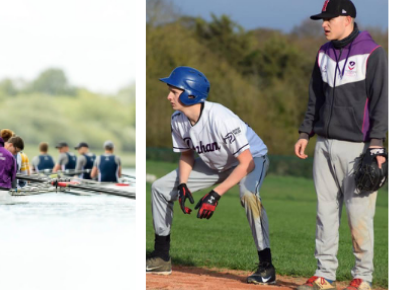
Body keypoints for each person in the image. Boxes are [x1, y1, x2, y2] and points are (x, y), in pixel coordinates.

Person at [146, 67, 275, 286]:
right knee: (160, 187)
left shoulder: (219, 117)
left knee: (248, 195)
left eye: (174, 91)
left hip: (251, 158)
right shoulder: (178, 119)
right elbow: (187, 154)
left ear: (190, 94)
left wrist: (215, 195)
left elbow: (246, 163)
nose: (169, 96)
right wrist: (184, 184)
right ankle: (161, 258)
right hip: (215, 163)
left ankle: (266, 267)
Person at [294, 1, 387, 290]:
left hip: (357, 149)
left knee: (358, 216)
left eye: (329, 18)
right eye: (322, 19)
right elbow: (315, 98)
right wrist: (304, 132)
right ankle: (324, 274)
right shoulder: (323, 53)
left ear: (347, 18)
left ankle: (362, 277)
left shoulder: (373, 53)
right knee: (325, 214)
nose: (324, 24)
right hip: (324, 144)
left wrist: (377, 147)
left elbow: (383, 103)